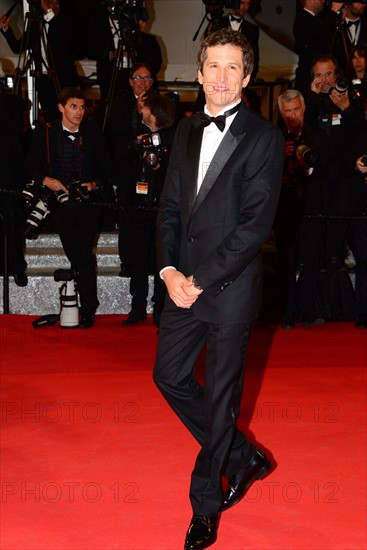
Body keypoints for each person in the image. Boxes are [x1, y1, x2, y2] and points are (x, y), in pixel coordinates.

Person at [153, 28, 284, 550]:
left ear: (247, 77)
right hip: (181, 283)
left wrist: (200, 281)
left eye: (234, 67)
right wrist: (168, 274)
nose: (222, 77)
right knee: (168, 376)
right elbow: (167, 210)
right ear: (200, 71)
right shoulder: (185, 131)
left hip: (226, 289)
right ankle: (240, 456)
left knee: (221, 404)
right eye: (214, 65)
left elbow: (253, 227)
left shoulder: (264, 137)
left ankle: (206, 505)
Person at [25, 88, 113, 328]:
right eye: (74, 106)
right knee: (76, 253)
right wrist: (47, 180)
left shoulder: (93, 133)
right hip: (60, 204)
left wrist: (95, 183)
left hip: (88, 203)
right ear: (61, 107)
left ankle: (87, 308)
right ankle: (77, 302)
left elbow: (107, 167)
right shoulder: (46, 133)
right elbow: (30, 165)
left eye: (82, 107)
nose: (79, 112)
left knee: (83, 253)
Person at [122, 90, 176, 327]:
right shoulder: (137, 138)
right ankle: (137, 307)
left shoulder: (174, 139)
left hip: (165, 210)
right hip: (139, 208)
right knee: (137, 258)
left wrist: (159, 168)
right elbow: (122, 170)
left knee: (163, 260)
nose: (140, 111)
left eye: (144, 108)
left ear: (153, 112)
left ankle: (161, 308)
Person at [275, 89, 328, 327]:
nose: (293, 115)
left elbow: (327, 171)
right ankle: (287, 312)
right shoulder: (274, 136)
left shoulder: (317, 135)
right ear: (281, 112)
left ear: (304, 109)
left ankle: (307, 310)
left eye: (296, 109)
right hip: (285, 209)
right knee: (285, 260)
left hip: (312, 206)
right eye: (287, 111)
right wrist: (280, 157)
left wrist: (306, 164)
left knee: (311, 260)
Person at [104, 62, 155, 277]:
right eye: (138, 78)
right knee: (126, 218)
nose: (143, 83)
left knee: (149, 217)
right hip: (126, 170)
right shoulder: (119, 103)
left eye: (146, 78)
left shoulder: (158, 101)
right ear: (130, 81)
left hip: (151, 170)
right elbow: (114, 132)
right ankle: (127, 261)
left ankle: (150, 260)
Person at [0, 0, 79, 123]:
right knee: (50, 119)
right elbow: (18, 47)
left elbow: (64, 39)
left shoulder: (65, 21)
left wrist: (48, 10)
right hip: (43, 81)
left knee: (66, 118)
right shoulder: (36, 26)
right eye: (51, 3)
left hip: (62, 80)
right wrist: (6, 29)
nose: (54, 6)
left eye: (57, 3)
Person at [87, 3, 161, 100]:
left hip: (135, 80)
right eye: (138, 20)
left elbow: (156, 64)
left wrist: (135, 55)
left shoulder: (148, 40)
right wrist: (112, 54)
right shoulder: (101, 24)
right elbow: (91, 51)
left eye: (143, 21)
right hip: (111, 78)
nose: (140, 24)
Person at [0, 91, 28, 287]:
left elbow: (16, 126)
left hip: (7, 173)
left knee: (11, 220)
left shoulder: (9, 102)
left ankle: (15, 266)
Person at [293, 0, 340, 95]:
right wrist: (334, 11)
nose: (323, 1)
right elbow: (319, 35)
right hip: (308, 80)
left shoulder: (315, 19)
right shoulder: (302, 18)